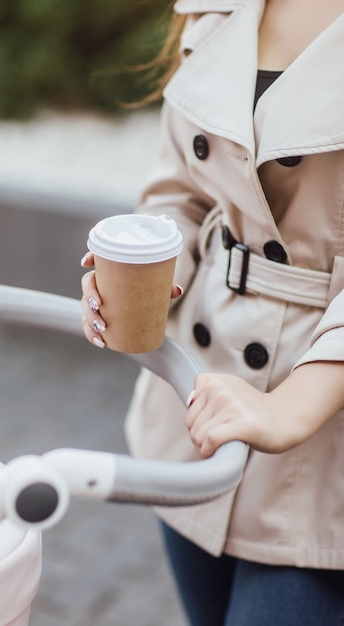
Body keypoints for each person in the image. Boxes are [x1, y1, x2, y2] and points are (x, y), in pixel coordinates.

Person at [81, 0, 344, 624]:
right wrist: (144, 268)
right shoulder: (221, 4)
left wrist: (290, 406)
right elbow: (185, 188)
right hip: (196, 406)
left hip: (321, 445)